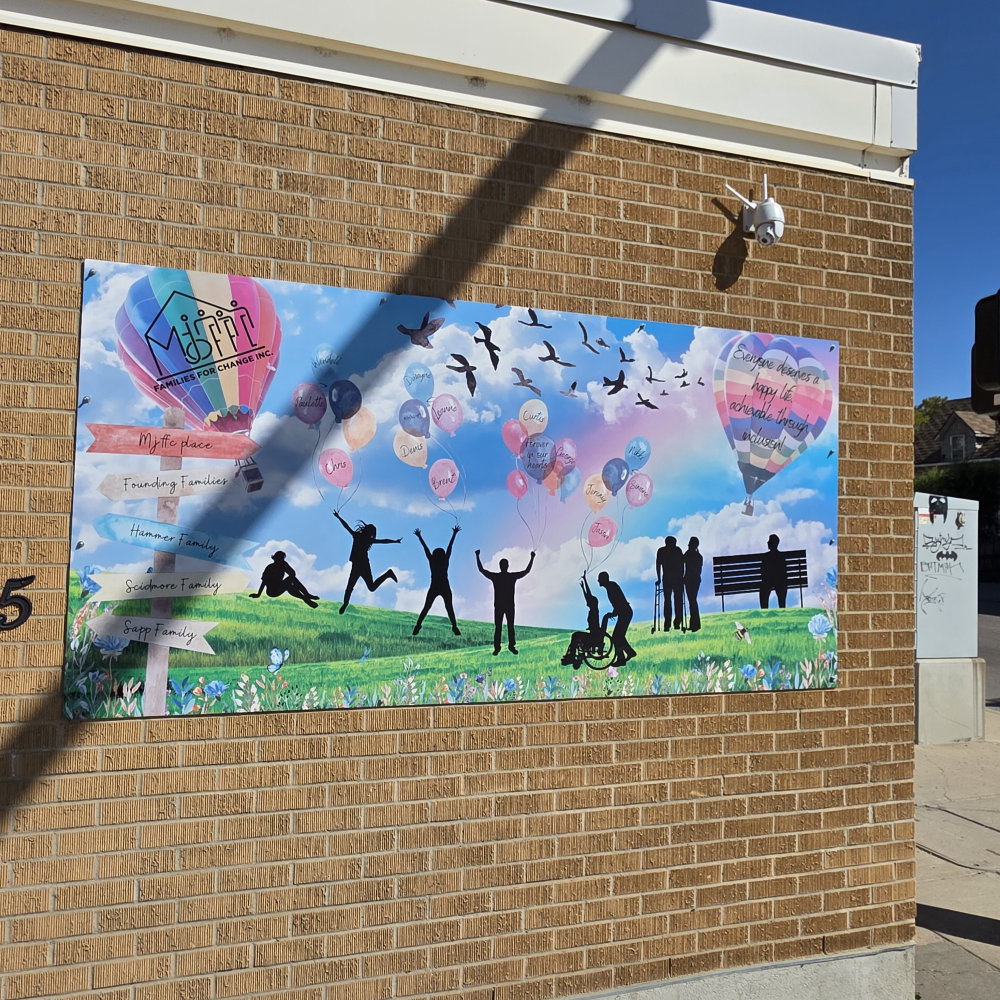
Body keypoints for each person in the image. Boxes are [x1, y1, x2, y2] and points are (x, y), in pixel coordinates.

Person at [334, 510, 401, 614]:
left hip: (363, 565)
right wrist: (339, 517)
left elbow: (383, 541)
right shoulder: (361, 537)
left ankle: (388, 573)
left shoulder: (360, 537)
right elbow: (346, 526)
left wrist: (395, 541)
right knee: (359, 587)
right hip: (358, 565)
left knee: (358, 587)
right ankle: (345, 604)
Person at [475, 548, 535, 654]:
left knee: (499, 627)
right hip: (508, 606)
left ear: (500, 566)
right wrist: (532, 558)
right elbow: (526, 571)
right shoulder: (511, 577)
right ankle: (510, 646)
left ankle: (497, 648)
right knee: (509, 626)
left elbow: (482, 570)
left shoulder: (496, 577)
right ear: (507, 566)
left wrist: (477, 556)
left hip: (499, 606)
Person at [412, 524, 461, 635]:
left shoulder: (432, 561)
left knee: (427, 607)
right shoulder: (445, 560)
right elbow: (450, 547)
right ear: (442, 555)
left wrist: (419, 536)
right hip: (444, 586)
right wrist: (454, 534)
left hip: (434, 586)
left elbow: (426, 548)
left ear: (434, 555)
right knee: (449, 608)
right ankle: (455, 627)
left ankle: (418, 625)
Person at [561, 573, 603, 669]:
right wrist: (583, 587)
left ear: (592, 603)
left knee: (575, 635)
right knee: (575, 635)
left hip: (593, 637)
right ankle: (571, 655)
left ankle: (571, 655)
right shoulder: (593, 611)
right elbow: (588, 597)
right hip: (593, 635)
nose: (587, 603)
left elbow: (589, 595)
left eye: (588, 602)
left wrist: (585, 581)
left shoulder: (594, 612)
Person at [249, 551, 319, 607]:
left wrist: (287, 565)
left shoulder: (282, 567)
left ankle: (306, 595)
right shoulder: (270, 567)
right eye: (279, 558)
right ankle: (305, 598)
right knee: (288, 585)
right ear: (275, 558)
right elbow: (264, 582)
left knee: (291, 582)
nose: (281, 560)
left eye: (282, 559)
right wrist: (258, 594)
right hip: (272, 591)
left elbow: (293, 575)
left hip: (280, 586)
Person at [597, 571, 636, 668]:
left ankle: (623, 657)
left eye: (600, 579)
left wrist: (613, 613)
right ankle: (628, 653)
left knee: (617, 636)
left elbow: (618, 601)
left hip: (625, 612)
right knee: (618, 636)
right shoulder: (610, 586)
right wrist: (614, 613)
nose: (598, 581)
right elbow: (617, 602)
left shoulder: (611, 587)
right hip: (624, 612)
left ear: (604, 579)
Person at [655, 535, 684, 630]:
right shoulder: (677, 550)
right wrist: (682, 577)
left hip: (667, 578)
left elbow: (658, 565)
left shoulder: (661, 551)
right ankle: (676, 623)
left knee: (667, 600)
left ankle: (667, 624)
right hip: (677, 578)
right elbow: (682, 565)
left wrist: (659, 578)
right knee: (677, 600)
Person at [759, 533, 788, 608]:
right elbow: (784, 573)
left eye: (769, 541)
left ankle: (764, 610)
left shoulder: (765, 557)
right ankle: (782, 608)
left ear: (773, 543)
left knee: (764, 589)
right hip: (779, 582)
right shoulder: (781, 556)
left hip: (768, 582)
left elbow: (763, 571)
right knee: (782, 586)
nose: (767, 542)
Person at [683, 537, 702, 632]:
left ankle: (695, 625)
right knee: (692, 601)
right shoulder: (699, 556)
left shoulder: (688, 554)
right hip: (696, 580)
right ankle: (695, 624)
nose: (688, 544)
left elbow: (681, 562)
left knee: (692, 601)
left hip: (689, 580)